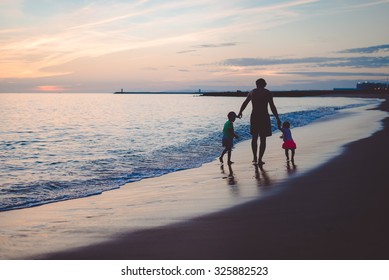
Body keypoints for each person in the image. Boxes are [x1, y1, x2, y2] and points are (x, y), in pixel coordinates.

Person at [238, 78, 281, 165]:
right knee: (263, 139)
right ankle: (260, 159)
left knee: (254, 138)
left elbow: (245, 103)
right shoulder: (267, 92)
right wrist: (277, 118)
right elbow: (272, 106)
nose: (266, 83)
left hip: (254, 116)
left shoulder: (252, 92)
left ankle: (254, 157)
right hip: (264, 116)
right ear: (263, 84)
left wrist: (240, 112)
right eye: (265, 82)